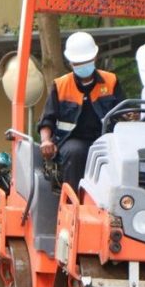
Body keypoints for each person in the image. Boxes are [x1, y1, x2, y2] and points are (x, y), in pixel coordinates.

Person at [38, 31, 126, 193]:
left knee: (121, 155)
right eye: (78, 63)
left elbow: (123, 111)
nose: (83, 66)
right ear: (70, 63)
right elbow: (47, 120)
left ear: (95, 58)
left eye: (86, 61)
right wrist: (46, 141)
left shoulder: (111, 81)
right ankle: (74, 200)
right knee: (75, 152)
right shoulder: (61, 85)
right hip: (72, 140)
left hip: (105, 139)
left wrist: (129, 116)